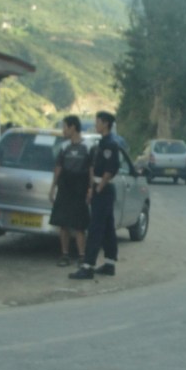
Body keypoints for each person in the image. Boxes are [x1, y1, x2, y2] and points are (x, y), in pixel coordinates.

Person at [69, 111, 120, 280]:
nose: (95, 125)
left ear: (105, 124)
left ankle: (88, 266)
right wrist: (92, 188)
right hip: (99, 187)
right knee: (107, 228)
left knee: (96, 228)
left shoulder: (110, 144)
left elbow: (110, 169)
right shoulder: (102, 143)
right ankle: (110, 263)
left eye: (97, 122)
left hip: (104, 189)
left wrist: (99, 188)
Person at [49, 115, 90, 266]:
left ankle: (82, 256)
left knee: (79, 225)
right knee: (63, 223)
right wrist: (53, 187)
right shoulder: (64, 146)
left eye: (65, 127)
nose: (63, 130)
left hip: (80, 187)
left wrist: (90, 188)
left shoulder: (88, 146)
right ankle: (64, 255)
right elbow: (58, 167)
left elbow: (91, 169)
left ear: (73, 127)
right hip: (65, 187)